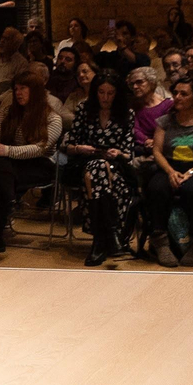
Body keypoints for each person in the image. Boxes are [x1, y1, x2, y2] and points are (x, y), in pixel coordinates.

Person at [0, 67, 62, 255]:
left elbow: (39, 149)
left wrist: (6, 150)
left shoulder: (52, 118)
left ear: (35, 91)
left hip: (40, 165)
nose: (18, 93)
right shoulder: (7, 112)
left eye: (23, 89)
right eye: (16, 89)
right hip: (10, 164)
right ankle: (10, 200)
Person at [63, 72, 140, 266]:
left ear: (117, 94)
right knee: (97, 167)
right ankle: (111, 234)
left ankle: (99, 241)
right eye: (101, 92)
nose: (105, 98)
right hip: (86, 164)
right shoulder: (84, 109)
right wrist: (81, 148)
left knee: (99, 171)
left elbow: (128, 153)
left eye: (110, 93)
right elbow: (70, 146)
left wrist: (118, 153)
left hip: (116, 170)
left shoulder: (126, 113)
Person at [144, 79, 193, 266]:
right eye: (175, 93)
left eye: (183, 94)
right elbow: (157, 151)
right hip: (169, 166)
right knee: (156, 186)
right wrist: (171, 171)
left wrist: (191, 172)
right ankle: (160, 240)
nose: (177, 97)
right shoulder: (165, 121)